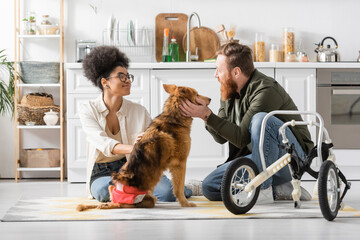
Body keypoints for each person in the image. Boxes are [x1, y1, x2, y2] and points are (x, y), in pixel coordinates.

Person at [180, 42, 313, 202]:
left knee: (261, 120)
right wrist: (204, 117)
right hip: (259, 157)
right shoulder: (228, 90)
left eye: (219, 70)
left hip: (290, 158)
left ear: (236, 72)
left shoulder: (266, 90)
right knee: (209, 187)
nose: (215, 75)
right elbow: (221, 138)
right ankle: (280, 189)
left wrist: (208, 115)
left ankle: (264, 188)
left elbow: (241, 138)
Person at [80, 46, 192, 202]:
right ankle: (136, 191)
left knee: (168, 193)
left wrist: (148, 141)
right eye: (121, 76)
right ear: (105, 82)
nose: (128, 81)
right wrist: (134, 148)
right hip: (102, 172)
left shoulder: (139, 111)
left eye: (128, 76)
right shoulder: (88, 110)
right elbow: (103, 143)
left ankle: (185, 188)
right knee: (106, 193)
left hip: (136, 168)